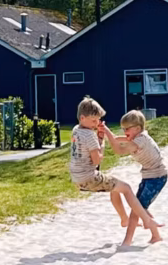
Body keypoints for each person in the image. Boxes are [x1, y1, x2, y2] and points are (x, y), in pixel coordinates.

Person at [69, 97, 162, 244]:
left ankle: (124, 219)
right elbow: (97, 160)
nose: (96, 124)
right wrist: (101, 142)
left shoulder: (76, 130)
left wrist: (100, 138)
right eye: (94, 121)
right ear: (83, 117)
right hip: (89, 177)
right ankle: (147, 221)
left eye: (98, 121)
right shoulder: (90, 136)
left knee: (115, 188)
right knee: (126, 188)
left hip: (77, 178)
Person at [102, 110, 168, 246]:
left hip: (157, 177)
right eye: (123, 128)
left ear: (138, 128)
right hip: (149, 176)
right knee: (140, 206)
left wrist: (108, 133)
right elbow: (115, 139)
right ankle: (156, 236)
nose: (124, 131)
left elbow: (119, 151)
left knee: (136, 209)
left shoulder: (140, 140)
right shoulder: (136, 137)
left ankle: (127, 241)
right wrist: (105, 131)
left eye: (127, 128)